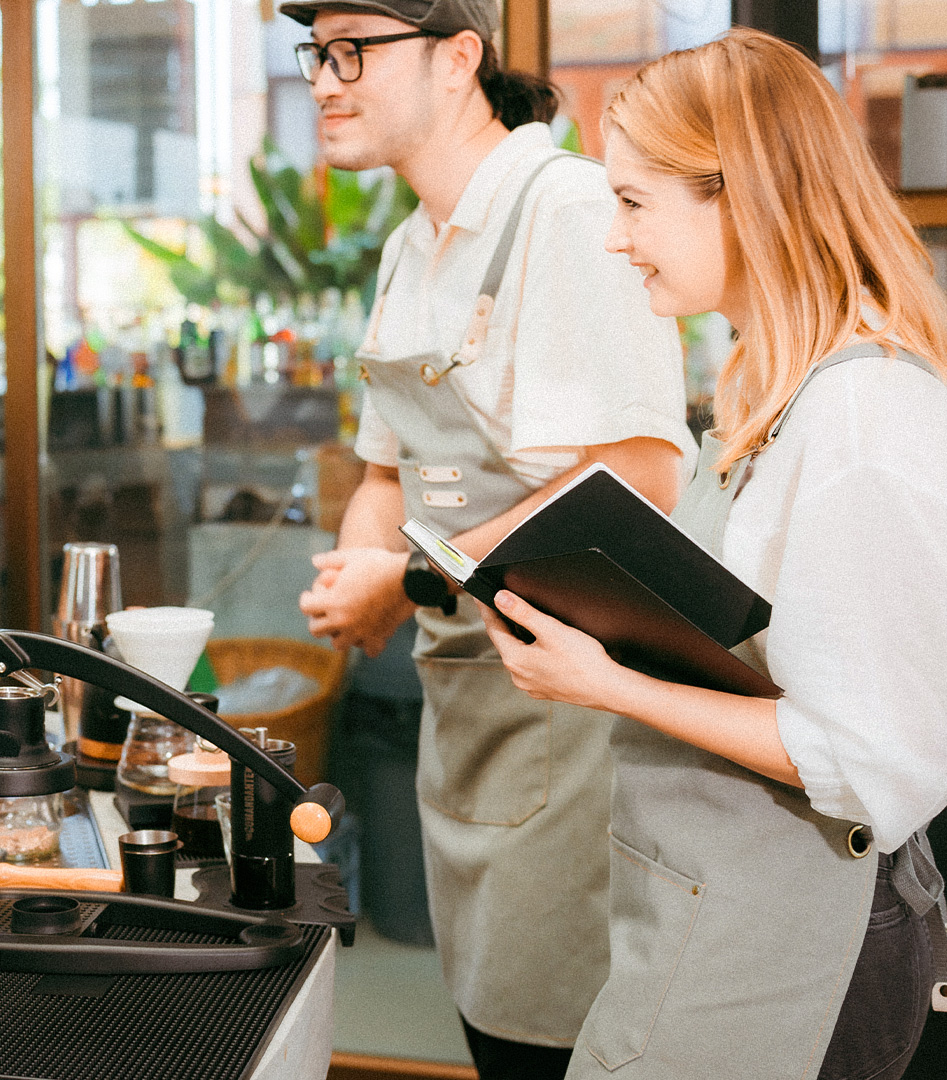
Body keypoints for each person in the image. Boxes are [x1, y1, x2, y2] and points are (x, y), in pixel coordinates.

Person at [482, 29, 947, 1080]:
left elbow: (869, 759)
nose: (616, 239)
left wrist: (606, 682)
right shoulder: (762, 390)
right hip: (709, 902)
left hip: (805, 939)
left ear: (740, 195)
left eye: (637, 203)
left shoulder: (867, 421)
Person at [278, 1, 695, 1074]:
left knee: (549, 1042)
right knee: (484, 1020)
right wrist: (355, 575)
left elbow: (642, 471)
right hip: (460, 697)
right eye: (315, 53)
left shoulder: (567, 212)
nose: (325, 79)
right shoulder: (409, 245)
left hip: (571, 712)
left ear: (459, 57)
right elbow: (385, 469)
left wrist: (411, 575)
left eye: (353, 50)